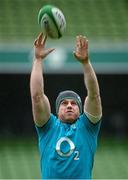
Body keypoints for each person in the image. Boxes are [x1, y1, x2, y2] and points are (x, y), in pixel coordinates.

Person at [30, 32, 102, 179]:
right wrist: (37, 60)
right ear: (57, 110)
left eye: (74, 103)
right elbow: (37, 96)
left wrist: (86, 63)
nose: (69, 105)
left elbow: (94, 95)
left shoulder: (88, 127)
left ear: (80, 110)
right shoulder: (48, 127)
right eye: (64, 103)